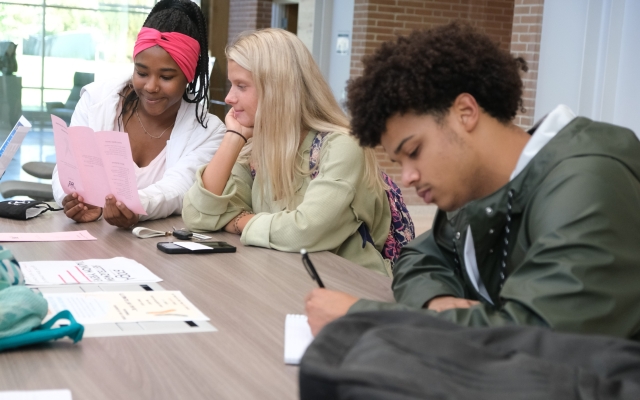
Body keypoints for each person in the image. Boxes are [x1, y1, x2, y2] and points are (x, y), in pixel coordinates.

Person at [304, 22, 640, 340]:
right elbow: (420, 257)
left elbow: (544, 341)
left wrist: (363, 321)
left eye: (415, 151)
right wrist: (436, 300)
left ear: (465, 112)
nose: (407, 178)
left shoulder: (587, 185)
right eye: (399, 162)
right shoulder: (484, 190)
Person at [182, 28, 411, 276]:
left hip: (352, 286)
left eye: (241, 86)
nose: (228, 97)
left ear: (277, 89)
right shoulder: (258, 148)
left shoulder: (343, 147)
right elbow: (197, 214)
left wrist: (237, 221)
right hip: (288, 278)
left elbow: (305, 230)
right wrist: (234, 137)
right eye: (231, 85)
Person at [52, 0, 225, 228]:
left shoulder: (208, 132)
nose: (151, 86)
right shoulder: (96, 101)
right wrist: (73, 198)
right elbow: (68, 166)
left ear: (189, 75)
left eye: (166, 77)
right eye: (142, 72)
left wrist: (133, 207)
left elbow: (180, 188)